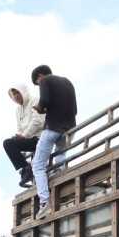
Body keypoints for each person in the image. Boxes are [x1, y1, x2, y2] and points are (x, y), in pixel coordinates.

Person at [30, 65, 77, 218]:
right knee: (60, 160)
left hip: (52, 128)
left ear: (40, 76)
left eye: (37, 82)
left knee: (37, 165)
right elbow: (75, 109)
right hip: (70, 129)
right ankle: (60, 181)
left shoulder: (45, 80)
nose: (39, 84)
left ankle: (44, 203)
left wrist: (40, 108)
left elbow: (44, 100)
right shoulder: (68, 82)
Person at [3, 83, 44, 187]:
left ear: (23, 91)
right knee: (10, 142)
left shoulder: (34, 100)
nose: (16, 96)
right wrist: (23, 151)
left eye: (18, 92)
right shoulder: (18, 109)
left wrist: (25, 136)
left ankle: (27, 169)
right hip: (28, 139)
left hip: (39, 138)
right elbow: (20, 129)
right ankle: (26, 169)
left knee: (7, 143)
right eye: (14, 94)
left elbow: (37, 121)